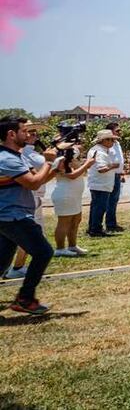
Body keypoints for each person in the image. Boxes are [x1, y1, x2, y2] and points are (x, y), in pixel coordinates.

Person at [0, 116, 56, 313]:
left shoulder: (17, 156)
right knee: (43, 252)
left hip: (11, 216)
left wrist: (57, 165)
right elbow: (32, 183)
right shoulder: (6, 158)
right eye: (24, 131)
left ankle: (24, 298)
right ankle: (24, 298)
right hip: (12, 216)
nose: (29, 135)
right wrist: (48, 162)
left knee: (2, 261)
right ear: (11, 134)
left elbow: (38, 179)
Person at [50, 142, 94, 256]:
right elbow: (72, 175)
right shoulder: (59, 160)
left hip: (74, 195)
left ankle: (72, 245)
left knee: (76, 220)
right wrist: (86, 165)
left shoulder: (70, 158)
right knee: (64, 222)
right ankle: (60, 248)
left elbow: (79, 151)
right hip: (65, 194)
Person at [86, 129, 120, 237]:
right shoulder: (99, 152)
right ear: (103, 140)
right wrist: (113, 165)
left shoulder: (101, 150)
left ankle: (93, 227)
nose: (112, 142)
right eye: (110, 139)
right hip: (100, 184)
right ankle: (96, 229)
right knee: (100, 208)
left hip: (101, 184)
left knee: (96, 207)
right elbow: (101, 169)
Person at [104, 121, 126, 232]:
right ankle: (110, 224)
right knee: (110, 201)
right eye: (117, 130)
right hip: (111, 175)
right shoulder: (108, 145)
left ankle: (112, 223)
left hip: (117, 175)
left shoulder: (116, 143)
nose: (120, 132)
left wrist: (121, 172)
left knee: (114, 200)